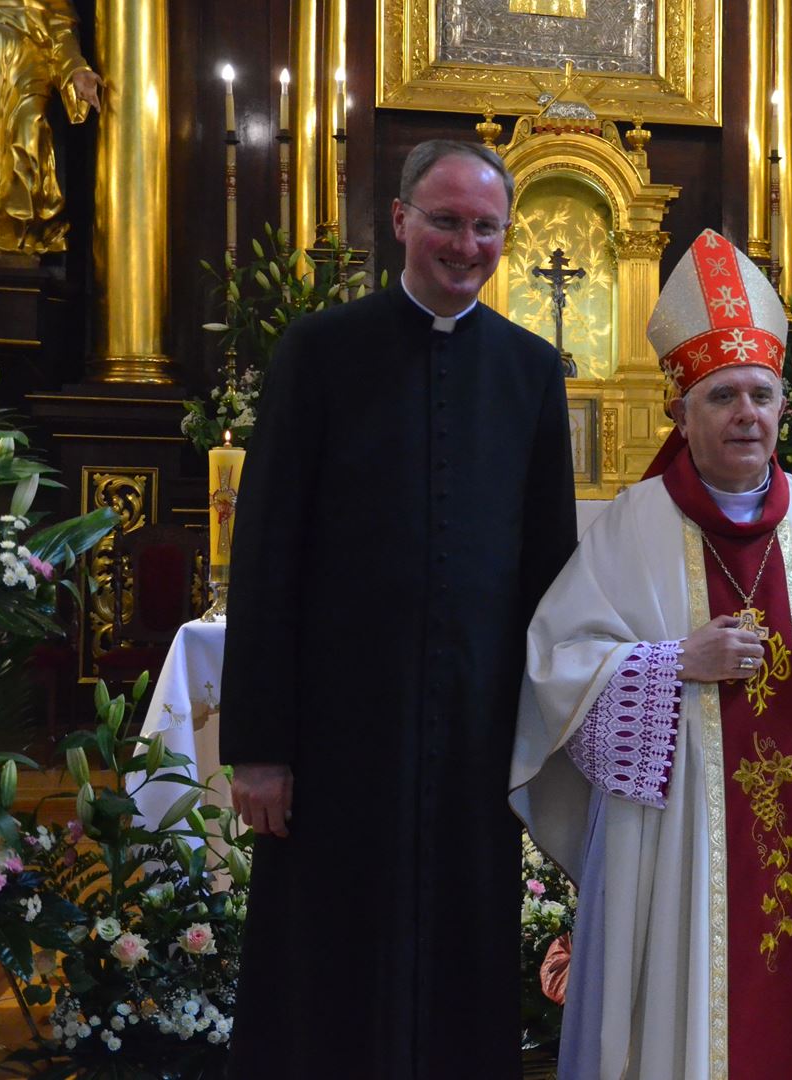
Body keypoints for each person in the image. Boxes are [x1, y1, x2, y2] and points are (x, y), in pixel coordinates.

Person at [510, 228, 792, 1080]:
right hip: (681, 837)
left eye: (761, 395)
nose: (747, 415)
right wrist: (668, 664)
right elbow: (558, 663)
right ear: (681, 411)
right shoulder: (633, 524)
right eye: (723, 396)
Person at [218, 139, 577, 1078]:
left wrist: (549, 735)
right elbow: (263, 553)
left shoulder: (531, 370)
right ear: (401, 222)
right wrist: (259, 746)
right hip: (338, 727)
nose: (466, 244)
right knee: (324, 949)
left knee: (465, 940)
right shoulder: (319, 351)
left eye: (486, 226)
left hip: (473, 729)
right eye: (447, 221)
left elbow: (550, 567)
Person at [0, 0, 103, 254]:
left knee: (27, 137)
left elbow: (61, 31)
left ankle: (16, 232)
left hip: (31, 63)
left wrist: (77, 69)